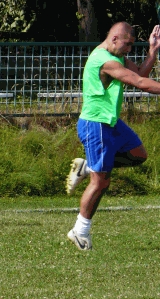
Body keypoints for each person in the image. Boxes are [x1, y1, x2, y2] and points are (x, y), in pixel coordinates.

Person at [65, 22, 160, 251]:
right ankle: (80, 231)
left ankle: (88, 167)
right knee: (101, 182)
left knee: (138, 154)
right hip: (96, 124)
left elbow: (140, 73)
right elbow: (139, 83)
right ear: (115, 39)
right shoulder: (104, 61)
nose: (129, 49)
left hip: (111, 122)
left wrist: (153, 51)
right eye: (127, 44)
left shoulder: (116, 56)